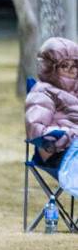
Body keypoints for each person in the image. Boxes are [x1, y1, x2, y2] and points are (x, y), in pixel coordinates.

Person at [25, 37, 78, 168]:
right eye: (65, 66)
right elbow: (37, 131)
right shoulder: (42, 93)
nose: (72, 70)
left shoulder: (75, 88)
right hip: (59, 154)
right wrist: (70, 135)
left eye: (75, 65)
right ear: (50, 68)